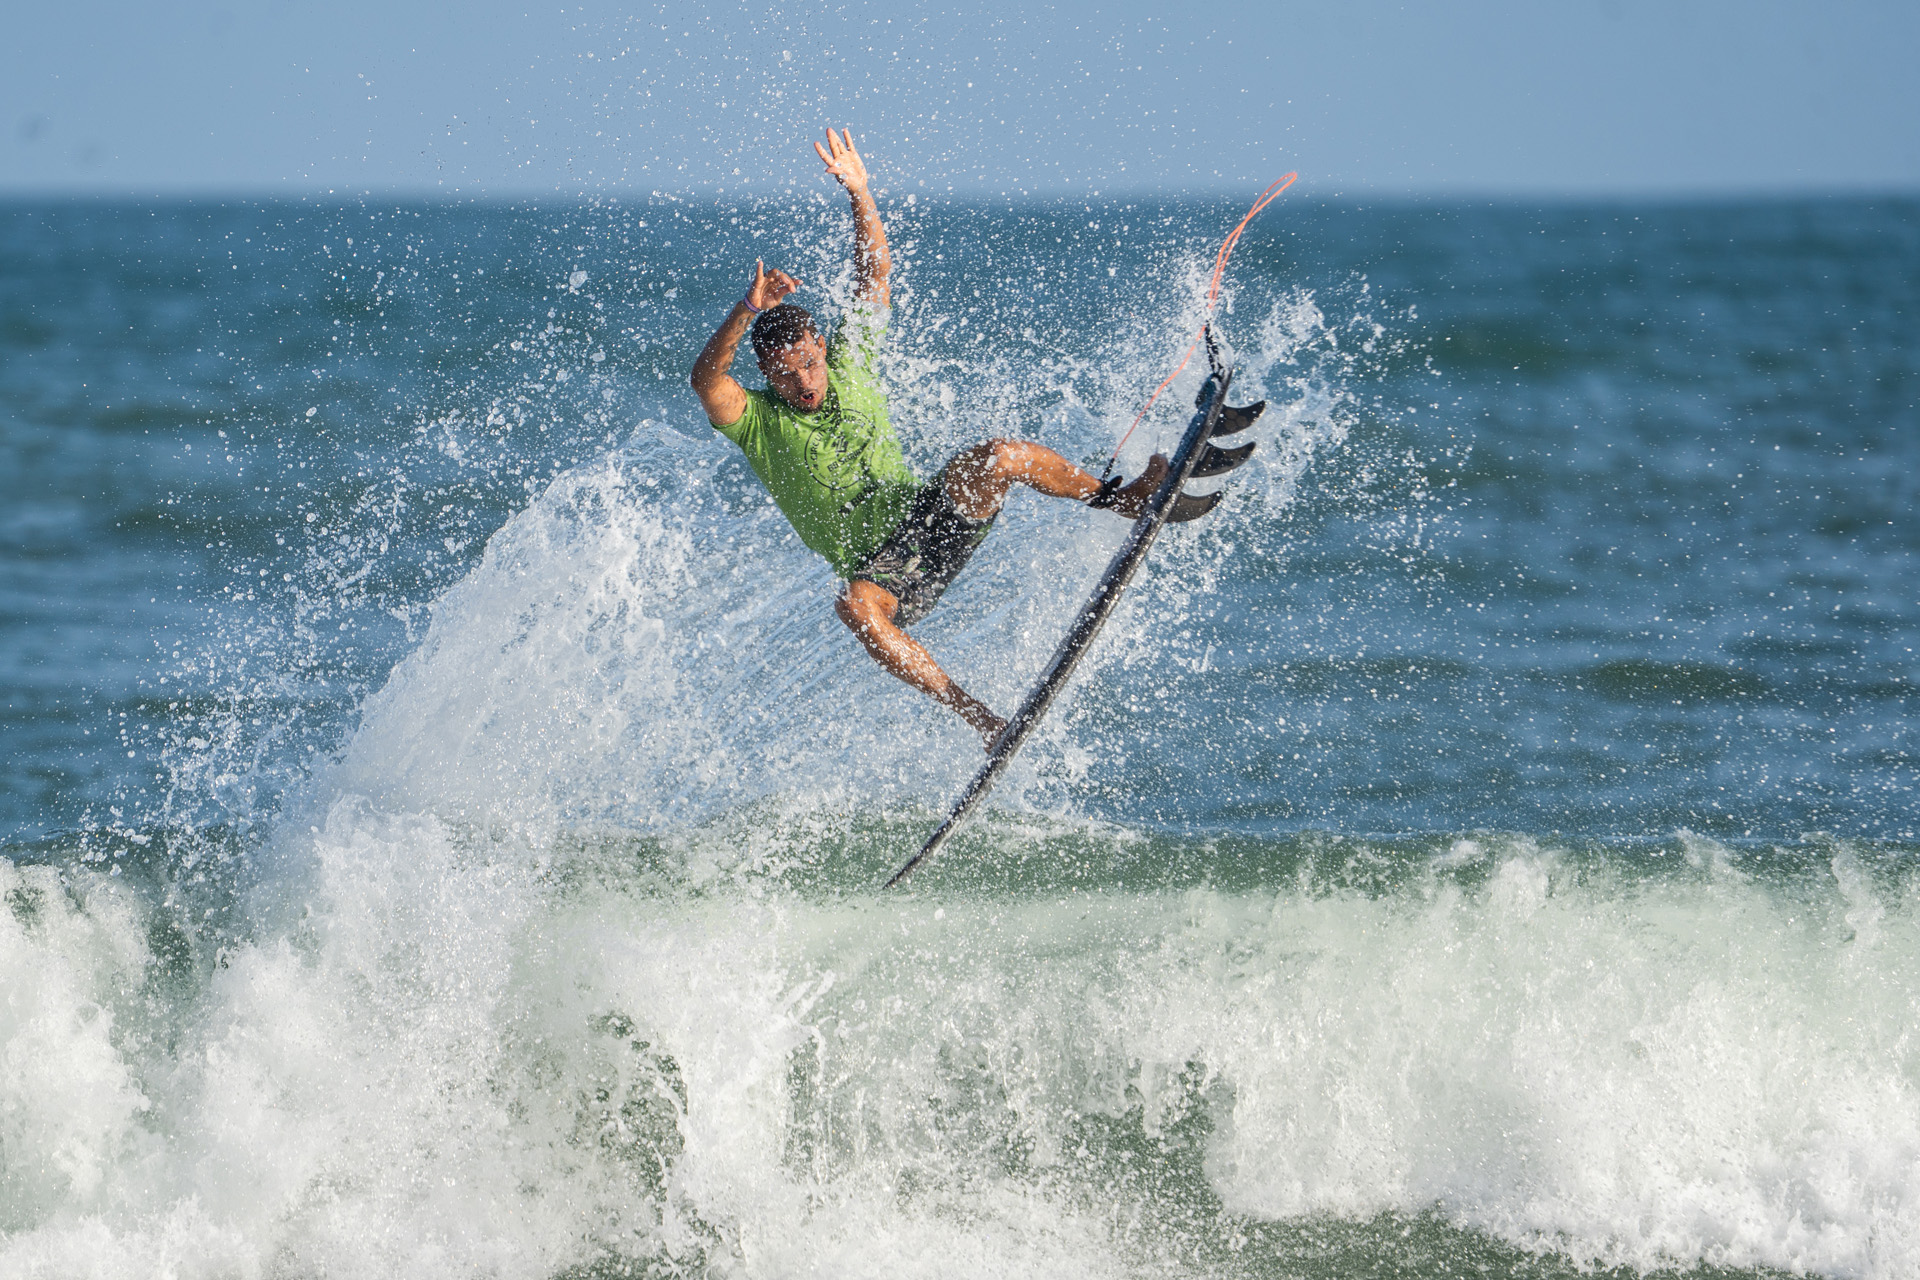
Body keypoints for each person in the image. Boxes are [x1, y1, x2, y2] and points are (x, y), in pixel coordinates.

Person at [689, 128, 1166, 749]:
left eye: (808, 363)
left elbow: (874, 274)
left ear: (821, 348)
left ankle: (1118, 498)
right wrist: (745, 310)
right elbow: (706, 380)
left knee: (1001, 456)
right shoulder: (756, 420)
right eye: (784, 374)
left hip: (930, 517)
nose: (803, 382)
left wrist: (860, 192)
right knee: (854, 607)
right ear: (765, 375)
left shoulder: (852, 360)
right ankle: (983, 720)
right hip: (885, 571)